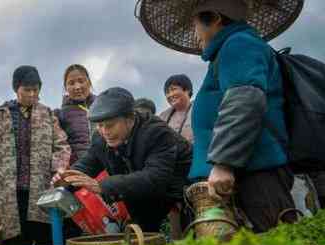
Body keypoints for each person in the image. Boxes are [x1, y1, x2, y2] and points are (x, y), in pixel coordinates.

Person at [138, 0, 303, 232]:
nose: (195, 34)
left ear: (214, 18)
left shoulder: (239, 44)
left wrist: (224, 163)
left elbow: (244, 101)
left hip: (255, 173)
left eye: (195, 25)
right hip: (240, 173)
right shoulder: (227, 50)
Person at [53, 87, 192, 232]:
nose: (105, 132)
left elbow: (156, 177)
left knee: (180, 234)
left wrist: (102, 186)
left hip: (178, 186)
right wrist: (66, 180)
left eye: (110, 125)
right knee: (142, 234)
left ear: (130, 119)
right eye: (100, 125)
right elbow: (88, 164)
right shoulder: (100, 138)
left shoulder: (156, 132)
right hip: (139, 190)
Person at [0, 65, 71, 245]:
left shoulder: (48, 115)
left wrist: (59, 170)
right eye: (27, 90)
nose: (32, 94)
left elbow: (62, 146)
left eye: (36, 89)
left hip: (41, 194)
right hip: (9, 197)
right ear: (16, 88)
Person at [55, 64, 96, 165]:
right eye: (71, 83)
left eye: (81, 81)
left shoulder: (104, 106)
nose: (77, 87)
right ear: (66, 88)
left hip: (107, 168)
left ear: (89, 83)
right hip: (80, 169)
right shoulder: (60, 115)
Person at [159, 74, 194, 143]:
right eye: (167, 92)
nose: (170, 95)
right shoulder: (162, 117)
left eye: (173, 89)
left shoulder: (200, 111)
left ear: (187, 90)